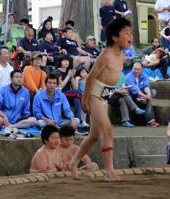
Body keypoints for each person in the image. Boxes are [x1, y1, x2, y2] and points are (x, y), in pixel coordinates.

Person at [68, 18, 133, 181]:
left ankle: (73, 162)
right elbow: (90, 78)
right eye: (126, 33)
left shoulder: (122, 57)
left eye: (130, 32)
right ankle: (109, 172)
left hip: (105, 97)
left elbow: (112, 78)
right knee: (108, 131)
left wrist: (153, 58)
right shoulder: (105, 55)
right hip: (94, 96)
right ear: (115, 37)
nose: (130, 36)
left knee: (94, 136)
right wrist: (84, 99)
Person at [125, 62, 160, 127]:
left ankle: (150, 121)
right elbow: (135, 90)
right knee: (149, 99)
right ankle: (151, 120)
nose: (136, 71)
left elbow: (146, 86)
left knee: (152, 91)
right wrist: (145, 97)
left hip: (142, 95)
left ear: (142, 69)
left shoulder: (144, 75)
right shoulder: (128, 77)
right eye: (134, 69)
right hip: (132, 96)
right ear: (132, 68)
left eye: (138, 69)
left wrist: (148, 95)